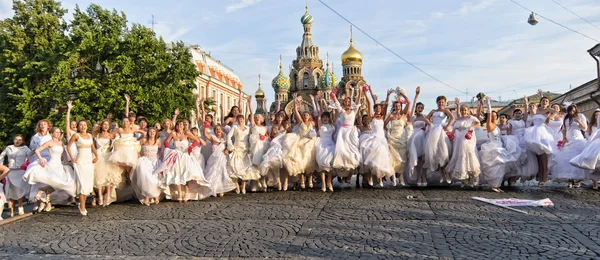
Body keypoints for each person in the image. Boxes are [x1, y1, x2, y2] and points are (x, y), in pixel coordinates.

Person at [23, 127, 77, 213]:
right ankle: (43, 192)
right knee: (56, 182)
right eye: (56, 132)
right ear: (52, 134)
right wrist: (41, 160)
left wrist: (66, 160)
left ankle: (44, 191)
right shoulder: (49, 142)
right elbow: (37, 150)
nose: (58, 134)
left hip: (60, 165)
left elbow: (63, 153)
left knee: (59, 184)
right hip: (52, 164)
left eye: (59, 132)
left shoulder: (60, 142)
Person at [156, 120, 210, 202]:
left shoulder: (187, 133)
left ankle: (187, 192)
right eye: (178, 124)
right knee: (177, 174)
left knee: (187, 173)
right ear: (176, 126)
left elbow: (197, 140)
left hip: (185, 155)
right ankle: (180, 193)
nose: (180, 126)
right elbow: (166, 142)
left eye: (181, 124)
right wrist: (169, 149)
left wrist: (191, 147)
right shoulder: (173, 134)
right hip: (176, 155)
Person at [480, 97, 520, 192]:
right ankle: (494, 185)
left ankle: (497, 185)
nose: (494, 117)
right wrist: (488, 103)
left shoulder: (497, 126)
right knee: (494, 167)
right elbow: (489, 114)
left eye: (495, 115)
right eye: (492, 115)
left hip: (499, 146)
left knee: (501, 167)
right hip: (493, 147)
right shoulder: (490, 125)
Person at [282, 93, 318, 189]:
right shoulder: (300, 122)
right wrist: (294, 101)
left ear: (309, 116)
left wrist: (314, 101)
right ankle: (302, 180)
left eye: (307, 114)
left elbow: (317, 114)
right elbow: (295, 112)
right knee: (301, 162)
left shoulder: (312, 123)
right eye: (304, 115)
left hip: (310, 143)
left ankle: (310, 179)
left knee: (310, 162)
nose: (305, 116)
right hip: (301, 142)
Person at [524, 90, 558, 186]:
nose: (544, 102)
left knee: (543, 156)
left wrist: (549, 117)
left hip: (542, 132)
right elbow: (530, 114)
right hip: (534, 132)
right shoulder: (537, 110)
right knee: (538, 155)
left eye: (546, 101)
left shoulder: (548, 110)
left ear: (549, 103)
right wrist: (540, 97)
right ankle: (540, 176)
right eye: (543, 101)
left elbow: (556, 111)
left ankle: (545, 177)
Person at [551, 105, 589, 188]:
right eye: (570, 111)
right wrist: (564, 138)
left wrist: (579, 121)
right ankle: (570, 179)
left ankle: (578, 180)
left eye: (573, 111)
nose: (571, 112)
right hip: (569, 139)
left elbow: (585, 128)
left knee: (578, 158)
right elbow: (564, 128)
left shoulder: (580, 116)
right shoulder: (566, 117)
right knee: (567, 159)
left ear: (575, 110)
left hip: (578, 138)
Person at [445, 99, 480, 187]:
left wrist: (472, 128)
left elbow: (478, 123)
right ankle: (465, 179)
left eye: (465, 110)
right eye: (462, 110)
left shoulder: (471, 118)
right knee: (459, 156)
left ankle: (474, 176)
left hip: (467, 138)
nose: (464, 112)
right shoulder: (459, 119)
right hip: (458, 139)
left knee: (469, 155)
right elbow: (455, 127)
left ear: (468, 111)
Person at [67, 121, 99, 215]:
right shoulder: (76, 135)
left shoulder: (89, 135)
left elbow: (93, 147)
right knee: (82, 184)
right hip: (80, 161)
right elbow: (68, 147)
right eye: (81, 125)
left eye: (84, 125)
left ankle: (82, 203)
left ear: (87, 126)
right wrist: (72, 157)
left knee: (88, 184)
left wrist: (96, 156)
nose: (83, 126)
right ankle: (82, 206)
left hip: (89, 161)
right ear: (78, 127)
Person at [330, 86, 362, 178]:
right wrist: (333, 95)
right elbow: (336, 104)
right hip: (343, 132)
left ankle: (351, 168)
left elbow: (358, 103)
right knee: (342, 150)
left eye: (349, 101)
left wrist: (359, 92)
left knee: (353, 149)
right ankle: (343, 169)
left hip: (351, 131)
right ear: (344, 103)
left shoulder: (354, 110)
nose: (347, 103)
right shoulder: (341, 111)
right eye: (346, 101)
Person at [384, 88, 412, 186]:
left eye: (399, 106)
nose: (397, 107)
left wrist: (402, 94)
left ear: (401, 106)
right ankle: (393, 178)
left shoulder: (404, 115)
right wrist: (388, 131)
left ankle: (401, 177)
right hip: (393, 138)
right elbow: (384, 124)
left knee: (402, 157)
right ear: (394, 107)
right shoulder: (391, 115)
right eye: (396, 106)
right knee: (393, 157)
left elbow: (409, 102)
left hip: (401, 137)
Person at [227, 112, 260, 194]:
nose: (241, 120)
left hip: (246, 149)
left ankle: (243, 186)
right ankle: (237, 186)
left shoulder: (247, 128)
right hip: (237, 149)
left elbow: (252, 136)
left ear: (243, 120)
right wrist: (230, 146)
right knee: (235, 168)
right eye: (239, 119)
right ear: (237, 120)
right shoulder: (234, 127)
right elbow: (228, 136)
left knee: (246, 168)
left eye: (242, 119)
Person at [424, 95, 455, 184]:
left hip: (441, 131)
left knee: (444, 152)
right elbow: (426, 118)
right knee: (436, 152)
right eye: (439, 102)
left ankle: (447, 172)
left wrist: (447, 126)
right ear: (437, 103)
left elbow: (452, 118)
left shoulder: (446, 110)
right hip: (434, 131)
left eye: (442, 102)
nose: (440, 104)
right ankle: (441, 172)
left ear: (444, 103)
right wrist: (430, 124)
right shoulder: (433, 111)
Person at [23, 119, 53, 208]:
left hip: (48, 158)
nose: (43, 126)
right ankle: (37, 201)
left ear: (48, 126)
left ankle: (47, 201)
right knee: (36, 178)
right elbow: (32, 149)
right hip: (37, 158)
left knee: (46, 179)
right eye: (41, 124)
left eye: (44, 124)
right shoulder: (35, 137)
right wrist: (28, 156)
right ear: (39, 126)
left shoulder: (51, 136)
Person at [93, 120, 123, 207]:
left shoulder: (110, 135)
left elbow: (119, 132)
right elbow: (94, 147)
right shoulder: (97, 135)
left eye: (107, 125)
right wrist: (95, 155)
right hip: (98, 156)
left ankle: (108, 196)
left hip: (107, 156)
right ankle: (100, 196)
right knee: (98, 176)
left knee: (108, 176)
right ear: (101, 126)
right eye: (104, 124)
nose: (106, 126)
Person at [0, 135, 31, 217]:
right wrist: (1, 166)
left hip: (20, 171)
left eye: (20, 140)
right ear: (13, 140)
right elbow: (1, 156)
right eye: (16, 139)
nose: (17, 141)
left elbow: (31, 155)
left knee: (19, 190)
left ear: (22, 141)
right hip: (10, 171)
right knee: (10, 191)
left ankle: (20, 206)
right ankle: (12, 211)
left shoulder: (25, 148)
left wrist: (28, 164)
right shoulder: (8, 148)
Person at [131, 127, 162, 205]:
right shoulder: (144, 140)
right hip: (145, 160)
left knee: (155, 179)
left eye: (153, 132)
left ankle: (156, 196)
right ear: (148, 133)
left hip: (155, 161)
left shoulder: (158, 141)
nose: (152, 133)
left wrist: (160, 158)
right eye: (150, 131)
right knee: (147, 178)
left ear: (156, 133)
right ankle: (147, 197)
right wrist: (139, 155)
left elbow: (161, 150)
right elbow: (137, 148)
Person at [204, 125, 237, 197]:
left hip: (223, 157)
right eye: (216, 129)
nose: (218, 130)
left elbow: (229, 145)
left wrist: (227, 150)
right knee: (214, 173)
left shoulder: (225, 137)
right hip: (215, 158)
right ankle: (214, 189)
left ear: (221, 129)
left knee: (222, 172)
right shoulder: (212, 138)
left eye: (219, 129)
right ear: (214, 131)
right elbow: (205, 134)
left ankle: (222, 189)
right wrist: (206, 126)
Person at [407, 87, 430, 186]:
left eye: (421, 108)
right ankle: (418, 176)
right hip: (415, 138)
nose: (419, 109)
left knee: (423, 159)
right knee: (416, 157)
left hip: (423, 137)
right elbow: (411, 108)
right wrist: (416, 95)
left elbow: (429, 124)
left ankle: (423, 176)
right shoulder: (414, 117)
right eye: (418, 107)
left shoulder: (425, 116)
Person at [247, 96, 270, 191]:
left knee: (262, 163)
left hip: (262, 146)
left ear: (262, 120)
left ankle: (263, 179)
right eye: (255, 118)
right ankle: (254, 183)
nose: (256, 119)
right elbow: (251, 114)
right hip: (254, 145)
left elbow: (268, 136)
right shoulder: (253, 126)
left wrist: (264, 137)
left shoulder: (264, 128)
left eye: (258, 118)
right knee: (254, 164)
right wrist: (249, 104)